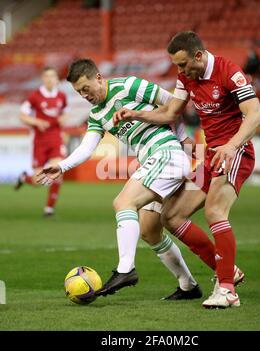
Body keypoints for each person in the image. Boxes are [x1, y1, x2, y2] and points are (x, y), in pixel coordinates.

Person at [113, 31, 260, 308]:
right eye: (176, 66)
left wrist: (231, 146)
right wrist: (136, 114)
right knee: (171, 215)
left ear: (198, 55)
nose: (180, 71)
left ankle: (227, 290)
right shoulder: (187, 77)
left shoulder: (229, 72)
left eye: (183, 64)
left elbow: (255, 115)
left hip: (235, 151)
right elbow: (170, 113)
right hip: (210, 156)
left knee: (215, 211)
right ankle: (227, 272)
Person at [36, 58, 202, 300]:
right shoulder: (96, 115)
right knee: (149, 230)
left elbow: (173, 104)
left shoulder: (129, 86)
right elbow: (86, 148)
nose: (84, 95)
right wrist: (61, 166)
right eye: (78, 92)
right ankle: (188, 285)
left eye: (86, 88)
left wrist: (184, 139)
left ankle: (126, 269)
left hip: (167, 152)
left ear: (99, 78)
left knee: (123, 202)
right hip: (154, 160)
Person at [15, 66, 68, 217]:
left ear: (57, 79)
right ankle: (25, 178)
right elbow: (22, 115)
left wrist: (62, 122)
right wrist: (37, 122)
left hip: (56, 138)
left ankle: (49, 209)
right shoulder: (35, 96)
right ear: (43, 79)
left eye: (53, 76)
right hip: (40, 141)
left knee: (58, 172)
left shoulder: (62, 96)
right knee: (39, 179)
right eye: (47, 76)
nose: (50, 79)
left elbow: (65, 113)